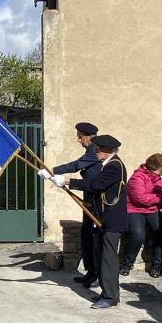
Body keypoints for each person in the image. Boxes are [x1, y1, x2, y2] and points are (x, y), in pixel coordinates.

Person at [52, 134, 127, 309]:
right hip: (102, 217)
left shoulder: (114, 166)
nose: (96, 150)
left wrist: (67, 181)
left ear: (108, 150)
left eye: (99, 148)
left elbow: (95, 184)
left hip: (111, 219)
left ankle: (110, 297)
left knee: (108, 259)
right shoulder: (107, 164)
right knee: (99, 254)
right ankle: (106, 293)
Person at [40, 122, 101, 288]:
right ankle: (90, 272)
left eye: (80, 136)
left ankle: (98, 275)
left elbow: (75, 166)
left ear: (90, 136)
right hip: (89, 199)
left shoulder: (96, 151)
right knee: (86, 235)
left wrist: (51, 171)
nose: (78, 140)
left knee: (95, 238)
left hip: (98, 201)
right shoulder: (91, 150)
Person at [122, 153, 162, 277]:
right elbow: (140, 199)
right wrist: (160, 198)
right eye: (161, 170)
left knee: (161, 231)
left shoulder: (159, 180)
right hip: (135, 210)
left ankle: (157, 264)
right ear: (153, 168)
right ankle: (127, 264)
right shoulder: (137, 178)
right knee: (138, 235)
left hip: (151, 210)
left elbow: (156, 201)